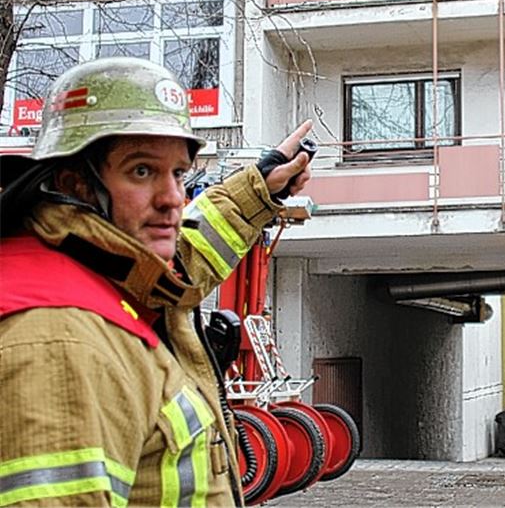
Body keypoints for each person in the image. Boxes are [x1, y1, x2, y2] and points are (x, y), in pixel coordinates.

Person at [0, 57, 313, 507]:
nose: (173, 199)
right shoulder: (59, 338)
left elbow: (183, 262)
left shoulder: (103, 266)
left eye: (179, 173)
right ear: (75, 184)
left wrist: (260, 188)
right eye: (142, 171)